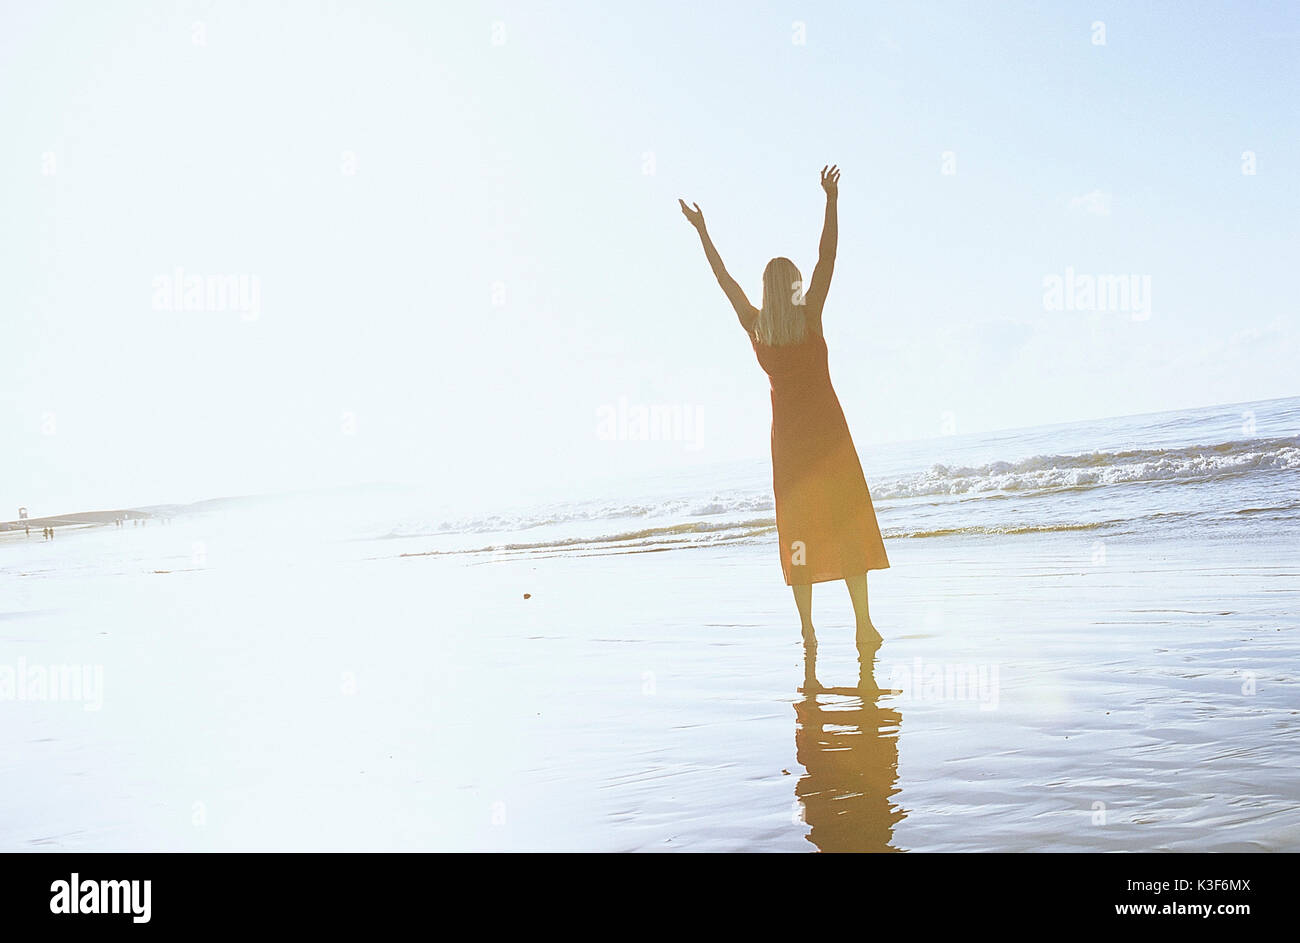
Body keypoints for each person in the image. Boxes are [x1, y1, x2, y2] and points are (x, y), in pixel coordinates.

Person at [680, 165, 890, 661]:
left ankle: (809, 633)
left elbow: (723, 279)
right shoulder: (810, 315)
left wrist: (703, 233)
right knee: (846, 526)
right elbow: (827, 257)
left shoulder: (756, 326)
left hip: (790, 448)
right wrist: (831, 200)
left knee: (800, 535)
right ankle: (863, 626)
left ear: (765, 288)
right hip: (830, 440)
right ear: (794, 287)